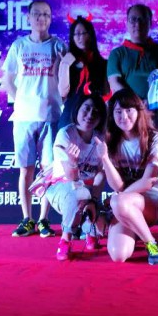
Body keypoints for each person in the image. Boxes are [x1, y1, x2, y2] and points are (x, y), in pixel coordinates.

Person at [2, 0, 67, 238]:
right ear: (28, 18)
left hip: (52, 116)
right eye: (37, 14)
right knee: (25, 170)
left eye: (46, 15)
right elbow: (7, 79)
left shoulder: (58, 46)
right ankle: (26, 219)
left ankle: (43, 219)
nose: (42, 18)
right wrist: (21, 100)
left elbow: (66, 79)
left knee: (48, 171)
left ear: (51, 19)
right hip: (24, 118)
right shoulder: (19, 46)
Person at [95, 89, 158, 265]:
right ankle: (136, 228)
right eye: (118, 112)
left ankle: (151, 244)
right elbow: (118, 187)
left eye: (129, 110)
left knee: (118, 201)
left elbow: (148, 182)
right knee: (118, 255)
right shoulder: (111, 141)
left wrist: (118, 199)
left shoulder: (154, 139)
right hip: (124, 203)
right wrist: (104, 158)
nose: (124, 116)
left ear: (138, 111)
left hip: (154, 200)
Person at [46, 94, 108, 261]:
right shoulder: (66, 134)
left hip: (87, 191)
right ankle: (65, 239)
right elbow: (71, 178)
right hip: (61, 188)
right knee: (78, 194)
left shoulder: (100, 139)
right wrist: (73, 162)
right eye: (86, 109)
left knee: (103, 213)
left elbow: (101, 173)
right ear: (77, 110)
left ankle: (90, 231)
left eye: (96, 112)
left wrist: (94, 201)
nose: (90, 115)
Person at [107, 4, 158, 154]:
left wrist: (150, 102)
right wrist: (138, 105)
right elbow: (115, 82)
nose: (137, 24)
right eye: (133, 20)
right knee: (130, 156)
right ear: (126, 23)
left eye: (142, 19)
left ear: (150, 23)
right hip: (128, 117)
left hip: (157, 113)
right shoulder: (117, 53)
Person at [57, 15, 109, 128]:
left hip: (93, 117)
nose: (79, 37)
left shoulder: (103, 64)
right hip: (70, 115)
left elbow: (105, 94)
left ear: (90, 35)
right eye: (76, 34)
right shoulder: (67, 61)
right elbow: (63, 93)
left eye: (83, 33)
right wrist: (65, 65)